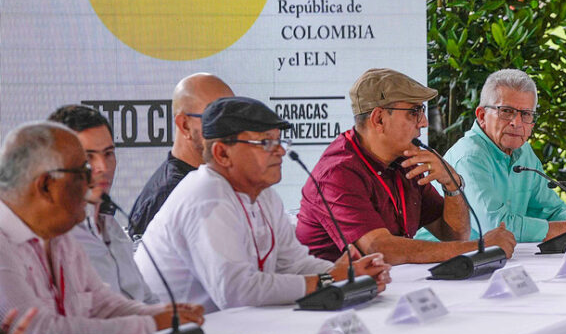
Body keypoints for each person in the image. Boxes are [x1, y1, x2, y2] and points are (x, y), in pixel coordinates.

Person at [138, 97, 391, 313]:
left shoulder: (263, 195)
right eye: (266, 143)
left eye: (280, 141)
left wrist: (352, 273)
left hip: (230, 329)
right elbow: (236, 292)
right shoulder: (206, 196)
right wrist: (330, 278)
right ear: (222, 154)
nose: (280, 151)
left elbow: (293, 264)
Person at [0, 122, 203, 334]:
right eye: (82, 173)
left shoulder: (59, 235)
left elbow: (101, 303)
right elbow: (39, 330)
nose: (92, 182)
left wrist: (162, 312)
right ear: (46, 185)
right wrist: (152, 324)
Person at [296, 68, 515, 265]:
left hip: (382, 287)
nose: (424, 122)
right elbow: (382, 250)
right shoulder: (337, 173)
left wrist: (452, 184)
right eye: (414, 112)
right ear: (379, 118)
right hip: (329, 298)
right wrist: (478, 248)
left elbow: (454, 235)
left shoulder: (404, 161)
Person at [443, 69, 566, 242]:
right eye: (506, 111)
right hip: (445, 263)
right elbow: (496, 228)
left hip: (501, 258)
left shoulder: (524, 152)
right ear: (482, 116)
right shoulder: (469, 156)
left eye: (526, 114)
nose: (516, 123)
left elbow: (548, 210)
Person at [47, 105, 159, 303]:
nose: (103, 167)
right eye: (88, 157)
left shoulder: (112, 226)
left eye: (108, 153)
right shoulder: (53, 237)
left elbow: (146, 298)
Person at [129, 73, 234, 238]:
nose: (230, 130)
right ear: (184, 125)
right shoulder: (168, 196)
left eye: (233, 119)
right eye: (215, 118)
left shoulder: (216, 182)